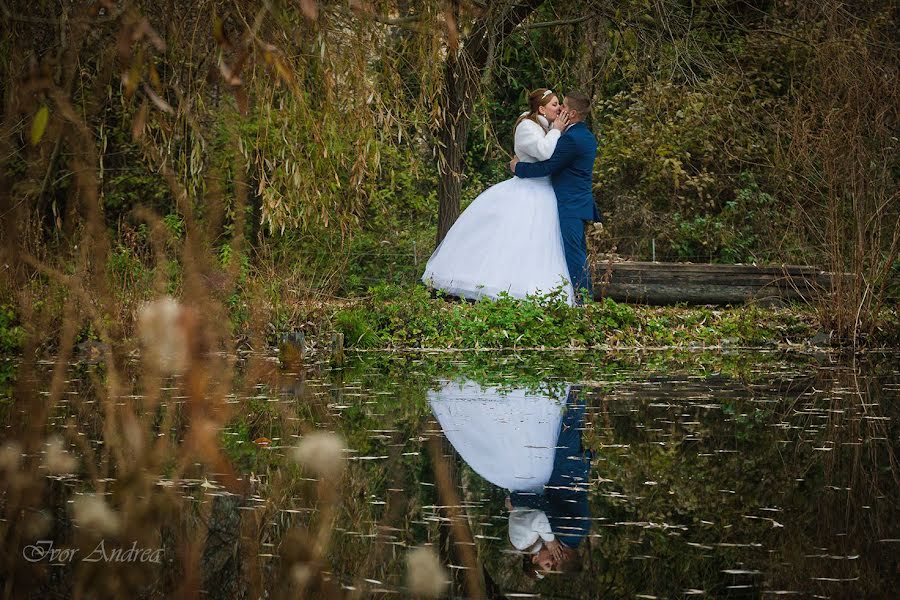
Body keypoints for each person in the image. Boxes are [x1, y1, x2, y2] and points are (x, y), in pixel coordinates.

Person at [422, 89, 576, 306]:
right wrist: (557, 130)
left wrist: (558, 129)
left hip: (545, 191)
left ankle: (536, 289)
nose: (559, 108)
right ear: (541, 109)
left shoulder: (547, 126)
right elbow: (544, 152)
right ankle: (495, 287)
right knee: (509, 240)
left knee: (537, 246)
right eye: (554, 104)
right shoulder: (527, 126)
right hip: (526, 191)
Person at [510, 91, 600, 302]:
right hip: (579, 202)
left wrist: (518, 168)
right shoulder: (585, 135)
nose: (560, 110)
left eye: (564, 107)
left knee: (573, 253)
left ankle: (584, 300)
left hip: (571, 204)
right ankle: (582, 296)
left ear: (573, 113)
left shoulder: (572, 139)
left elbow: (548, 166)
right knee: (575, 250)